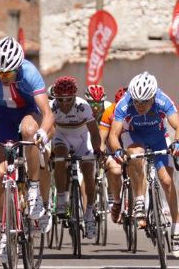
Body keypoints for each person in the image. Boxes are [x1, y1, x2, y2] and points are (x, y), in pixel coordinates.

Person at [0, 36, 54, 263]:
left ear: (18, 66)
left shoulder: (30, 72)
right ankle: (6, 233)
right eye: (0, 73)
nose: (4, 77)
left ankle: (35, 190)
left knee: (29, 131)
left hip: (29, 111)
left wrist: (43, 133)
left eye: (9, 73)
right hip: (4, 116)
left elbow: (47, 113)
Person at [109, 71, 179, 256]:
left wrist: (177, 143)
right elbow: (113, 135)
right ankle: (139, 199)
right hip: (134, 135)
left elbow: (177, 124)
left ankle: (177, 227)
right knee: (136, 154)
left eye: (145, 102)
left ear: (153, 97)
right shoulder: (124, 103)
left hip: (157, 136)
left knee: (166, 180)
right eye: (137, 101)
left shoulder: (163, 100)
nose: (140, 106)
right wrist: (117, 151)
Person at [51, 75, 102, 240]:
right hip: (62, 138)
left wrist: (97, 149)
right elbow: (47, 129)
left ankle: (89, 215)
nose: (65, 104)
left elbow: (94, 132)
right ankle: (61, 200)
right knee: (60, 159)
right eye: (61, 100)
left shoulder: (83, 106)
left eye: (68, 100)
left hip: (82, 139)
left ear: (75, 97)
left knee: (88, 173)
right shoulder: (51, 107)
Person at [98, 86, 127, 223]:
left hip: (129, 144)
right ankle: (116, 201)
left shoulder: (136, 110)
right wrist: (101, 149)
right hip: (113, 146)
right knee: (115, 171)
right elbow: (102, 138)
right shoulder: (109, 111)